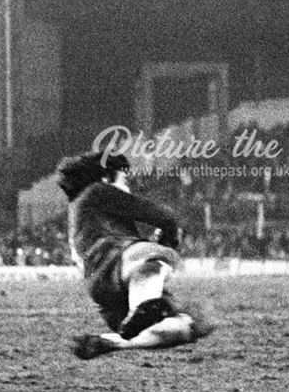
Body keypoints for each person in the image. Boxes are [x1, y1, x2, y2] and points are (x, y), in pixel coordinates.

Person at [56, 151, 212, 359]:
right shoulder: (96, 191)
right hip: (113, 262)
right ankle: (144, 306)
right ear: (106, 178)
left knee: (185, 327)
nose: (128, 187)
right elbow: (165, 217)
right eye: (125, 179)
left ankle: (111, 342)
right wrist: (167, 243)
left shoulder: (77, 212)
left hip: (102, 290)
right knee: (164, 255)